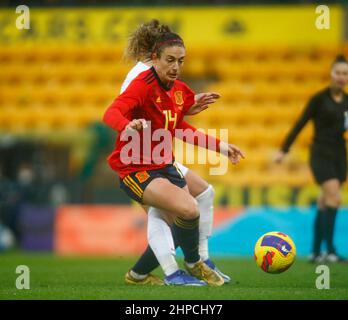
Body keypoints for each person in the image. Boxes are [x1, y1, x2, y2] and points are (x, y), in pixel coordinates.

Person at [103, 31, 244, 286]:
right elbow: (111, 112)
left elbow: (179, 127)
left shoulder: (178, 90)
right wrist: (126, 125)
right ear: (154, 58)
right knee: (185, 209)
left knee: (180, 212)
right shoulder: (141, 83)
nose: (176, 66)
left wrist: (220, 147)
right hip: (135, 167)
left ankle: (145, 274)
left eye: (181, 61)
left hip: (163, 163)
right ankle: (188, 266)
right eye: (170, 60)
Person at [275, 55, 348, 263]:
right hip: (320, 153)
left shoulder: (347, 101)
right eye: (338, 72)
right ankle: (331, 250)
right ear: (331, 74)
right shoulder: (319, 99)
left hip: (339, 154)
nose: (341, 77)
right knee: (334, 197)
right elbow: (301, 123)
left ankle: (315, 252)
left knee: (325, 201)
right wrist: (284, 149)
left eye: (345, 73)